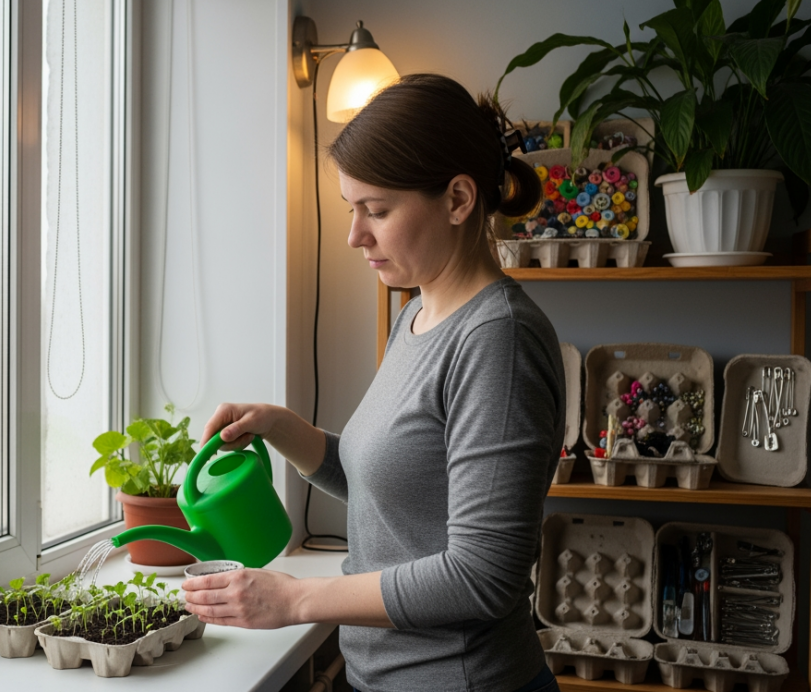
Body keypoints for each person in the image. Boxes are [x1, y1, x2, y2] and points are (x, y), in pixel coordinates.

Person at [181, 73, 566, 692]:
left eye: (377, 211)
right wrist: (284, 428)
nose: (355, 234)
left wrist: (298, 600)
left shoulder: (499, 340)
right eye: (351, 209)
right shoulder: (418, 312)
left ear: (459, 199)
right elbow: (394, 489)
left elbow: (483, 574)